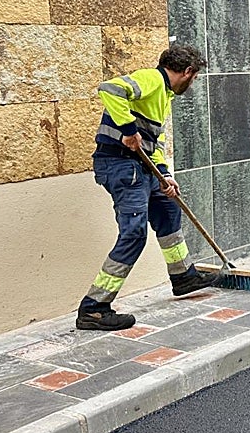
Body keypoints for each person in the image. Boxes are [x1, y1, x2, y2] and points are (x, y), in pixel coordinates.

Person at [76, 44, 218, 331]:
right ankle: (94, 308)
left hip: (142, 167)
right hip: (120, 165)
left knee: (168, 210)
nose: (193, 83)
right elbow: (110, 89)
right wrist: (128, 131)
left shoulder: (163, 96)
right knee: (134, 234)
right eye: (195, 77)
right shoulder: (151, 79)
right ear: (188, 72)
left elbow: (154, 145)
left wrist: (164, 174)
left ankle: (183, 276)